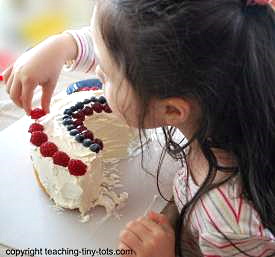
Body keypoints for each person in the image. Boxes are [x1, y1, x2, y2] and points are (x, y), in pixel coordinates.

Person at [2, 0, 275, 256]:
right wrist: (64, 45)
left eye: (106, 75)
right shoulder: (225, 81)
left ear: (171, 110)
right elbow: (130, 51)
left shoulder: (227, 220)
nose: (97, 73)